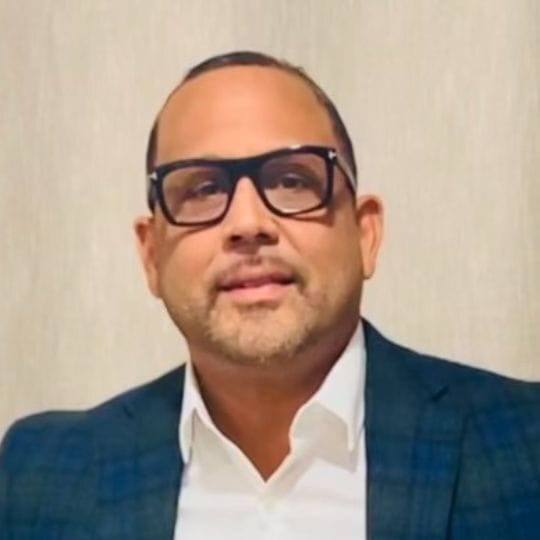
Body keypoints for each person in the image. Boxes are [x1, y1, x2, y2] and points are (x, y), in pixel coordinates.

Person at [1, 50, 539, 540]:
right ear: (152, 257)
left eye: (291, 181)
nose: (248, 223)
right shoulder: (39, 475)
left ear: (365, 235)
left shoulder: (524, 448)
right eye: (202, 188)